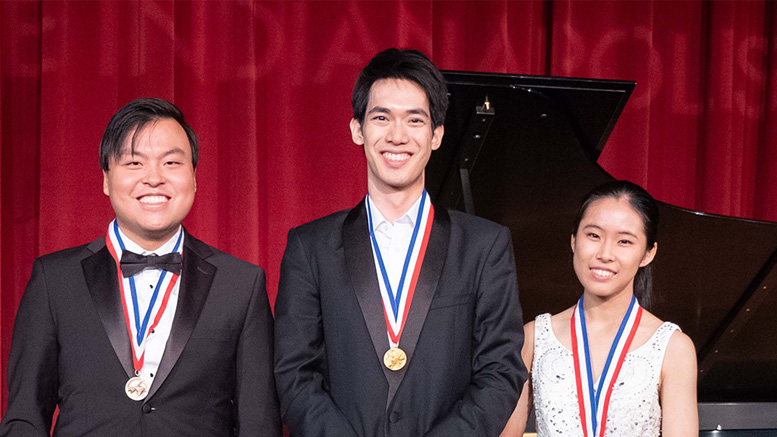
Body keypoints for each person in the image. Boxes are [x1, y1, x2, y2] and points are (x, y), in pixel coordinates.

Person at [273, 48, 527, 436]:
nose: (397, 135)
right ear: (357, 129)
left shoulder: (484, 246)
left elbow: (501, 369)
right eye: (381, 117)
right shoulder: (311, 246)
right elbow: (294, 372)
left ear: (437, 135)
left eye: (414, 120)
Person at [0, 98, 281, 436]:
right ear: (106, 179)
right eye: (134, 163)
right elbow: (24, 417)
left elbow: (259, 422)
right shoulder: (55, 279)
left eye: (171, 162)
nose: (153, 178)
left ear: (193, 177)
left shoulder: (241, 284)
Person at [501, 180, 698, 437]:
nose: (605, 253)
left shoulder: (673, 347)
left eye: (624, 241)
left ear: (648, 253)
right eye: (593, 235)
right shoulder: (534, 337)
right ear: (573, 240)